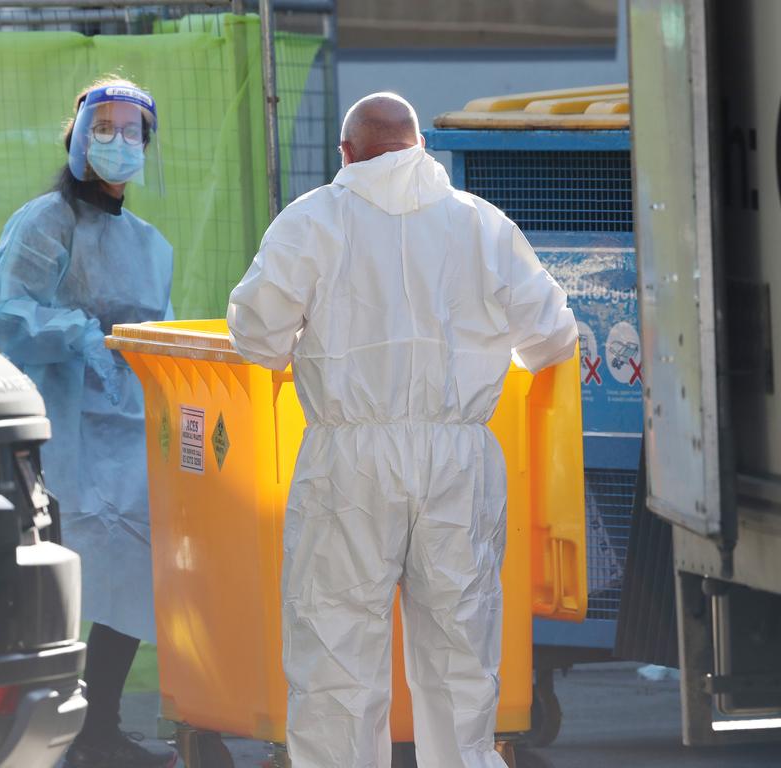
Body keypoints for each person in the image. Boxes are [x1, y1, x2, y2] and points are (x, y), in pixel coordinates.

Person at [227, 92, 578, 768]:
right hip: (459, 455)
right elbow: (552, 335)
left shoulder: (313, 220)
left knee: (336, 650)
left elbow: (257, 337)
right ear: (420, 146)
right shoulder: (481, 224)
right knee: (459, 651)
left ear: (346, 154)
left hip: (350, 456)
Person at [0, 78, 176, 768]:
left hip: (125, 432)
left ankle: (99, 728)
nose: (118, 144)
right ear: (77, 135)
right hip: (61, 429)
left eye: (133, 132)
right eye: (105, 128)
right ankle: (46, 736)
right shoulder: (43, 222)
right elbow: (9, 314)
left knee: (126, 579)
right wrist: (83, 336)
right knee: (60, 589)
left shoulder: (151, 245)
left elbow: (158, 329)